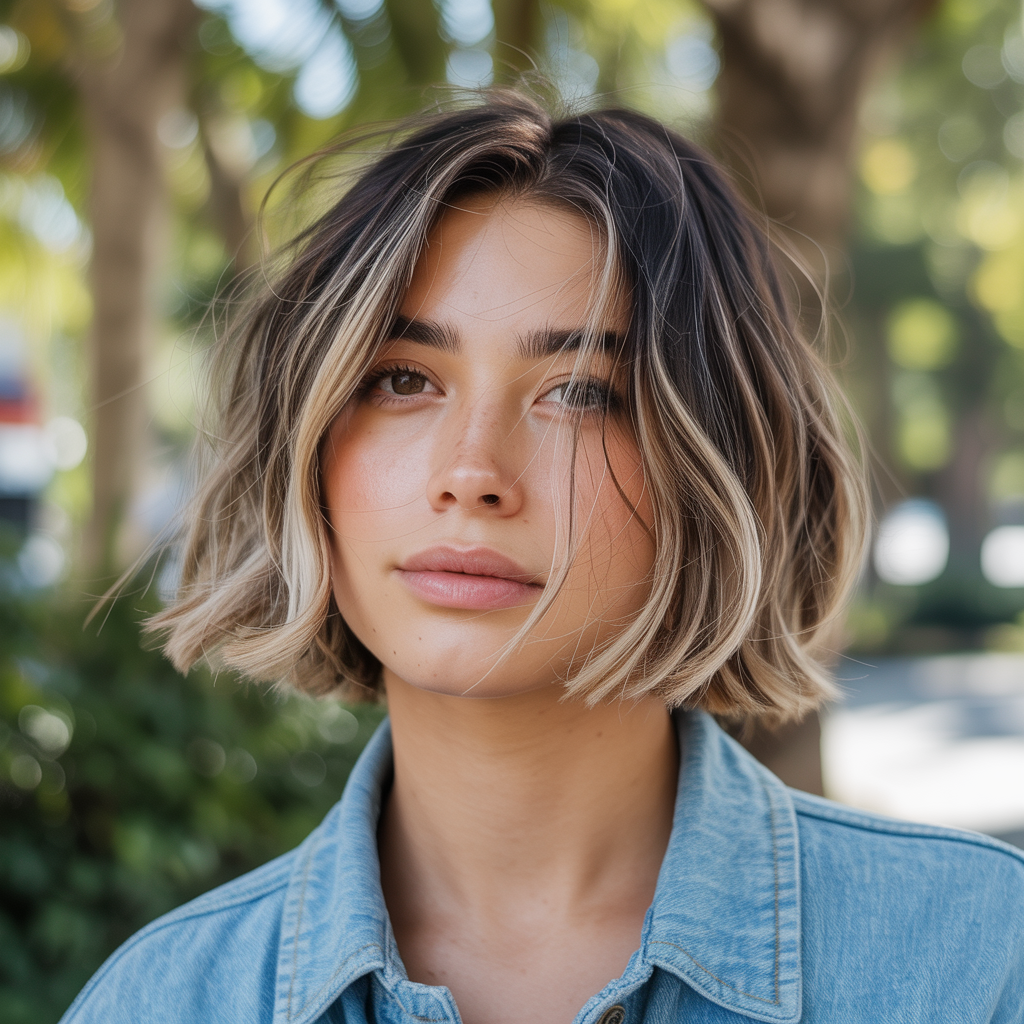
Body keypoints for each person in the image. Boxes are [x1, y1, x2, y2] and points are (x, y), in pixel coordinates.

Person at [61, 92, 1024, 1024]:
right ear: (306, 450)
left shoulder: (980, 959)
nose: (472, 472)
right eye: (402, 380)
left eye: (579, 391)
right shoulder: (162, 1001)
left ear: (717, 464)